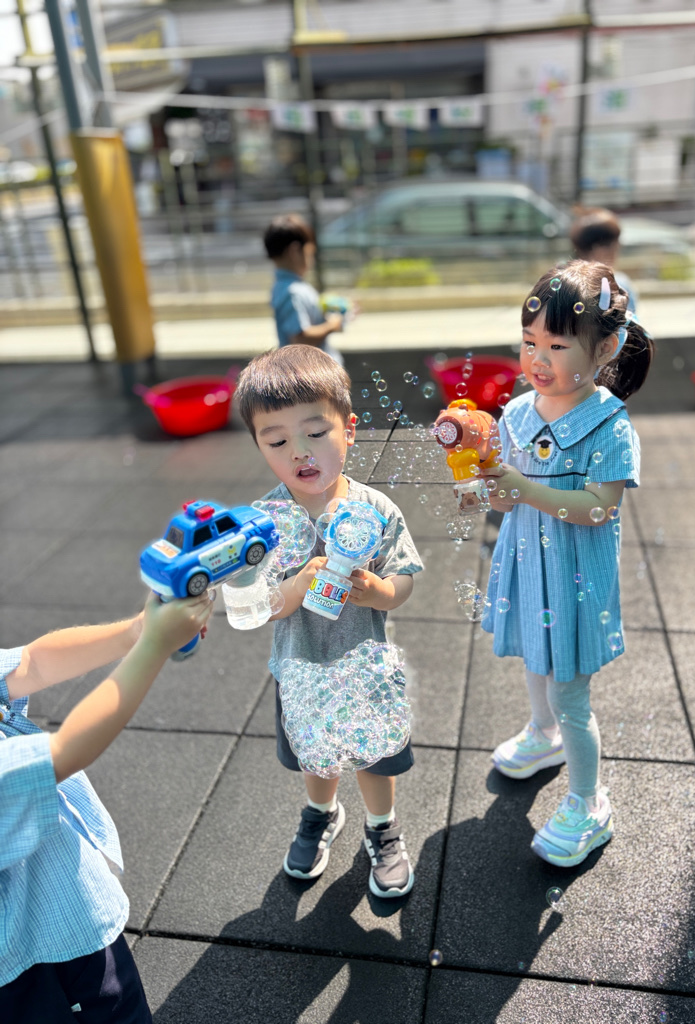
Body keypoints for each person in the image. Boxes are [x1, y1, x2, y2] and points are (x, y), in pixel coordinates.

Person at [480, 259, 653, 868]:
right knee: (535, 656)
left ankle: (588, 801)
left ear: (604, 348)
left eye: (557, 346)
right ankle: (543, 733)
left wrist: (523, 489)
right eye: (529, 342)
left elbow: (599, 509)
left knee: (570, 693)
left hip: (576, 580)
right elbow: (504, 499)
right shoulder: (518, 413)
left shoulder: (609, 425)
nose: (538, 358)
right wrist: (488, 485)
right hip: (530, 568)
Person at [234, 345, 423, 898]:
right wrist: (296, 587)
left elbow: (403, 580)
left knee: (374, 756)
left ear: (350, 430)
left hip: (364, 665)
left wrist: (379, 591)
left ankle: (382, 827)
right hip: (301, 666)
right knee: (316, 754)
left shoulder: (377, 510)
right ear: (259, 445)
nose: (300, 451)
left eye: (316, 433)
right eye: (277, 442)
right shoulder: (264, 522)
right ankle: (321, 812)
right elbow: (259, 604)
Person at [1, 591, 213, 1023]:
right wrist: (153, 645)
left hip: (65, 927)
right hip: (40, 962)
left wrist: (137, 630)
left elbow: (31, 663)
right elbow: (68, 749)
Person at [264, 213, 345, 364]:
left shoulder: (285, 287)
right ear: (295, 251)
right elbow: (300, 339)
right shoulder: (293, 292)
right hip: (310, 372)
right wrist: (332, 325)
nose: (312, 259)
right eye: (310, 252)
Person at [570, 207, 638, 313]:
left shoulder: (567, 284)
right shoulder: (619, 285)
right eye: (615, 247)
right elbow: (631, 320)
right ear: (599, 250)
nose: (617, 251)